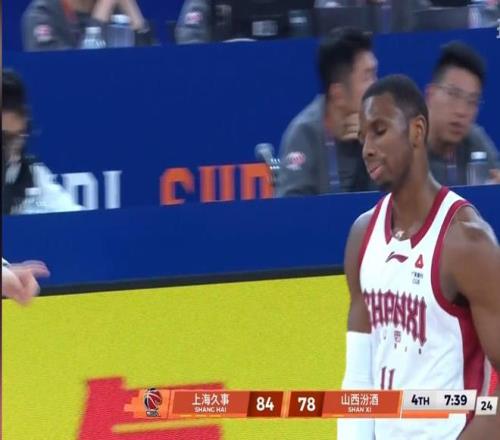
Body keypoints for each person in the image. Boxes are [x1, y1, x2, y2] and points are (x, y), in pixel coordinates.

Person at [339, 74, 499, 439]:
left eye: (379, 131)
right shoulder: (362, 236)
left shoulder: (466, 241)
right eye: (363, 137)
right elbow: (359, 378)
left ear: (416, 130)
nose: (367, 149)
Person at [276, 27, 377, 196]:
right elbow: (291, 205)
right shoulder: (304, 133)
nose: (376, 85)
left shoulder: (380, 128)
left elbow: (397, 194)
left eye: (375, 74)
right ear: (338, 94)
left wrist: (371, 140)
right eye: (367, 77)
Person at [2, 69, 82, 214]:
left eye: (19, 136)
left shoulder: (30, 172)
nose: (13, 148)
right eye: (5, 138)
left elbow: (74, 216)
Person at [426, 41, 500, 185]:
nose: (461, 111)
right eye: (453, 94)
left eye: (472, 101)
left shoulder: (474, 141)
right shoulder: (402, 146)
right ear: (431, 94)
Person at [22, 0, 151, 51]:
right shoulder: (42, 14)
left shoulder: (116, 7)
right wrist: (101, 15)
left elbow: (152, 67)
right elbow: (69, 73)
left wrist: (132, 9)